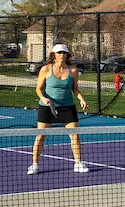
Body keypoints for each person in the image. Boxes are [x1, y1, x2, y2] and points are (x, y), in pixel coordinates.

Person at [27, 44, 90, 175]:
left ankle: (78, 163)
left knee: (75, 136)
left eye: (64, 53)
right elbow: (38, 88)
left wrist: (81, 99)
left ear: (67, 55)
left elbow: (75, 88)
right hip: (47, 107)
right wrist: (44, 99)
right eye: (59, 52)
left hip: (67, 107)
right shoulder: (45, 69)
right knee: (41, 136)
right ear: (54, 54)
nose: (62, 55)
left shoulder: (73, 71)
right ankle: (34, 164)